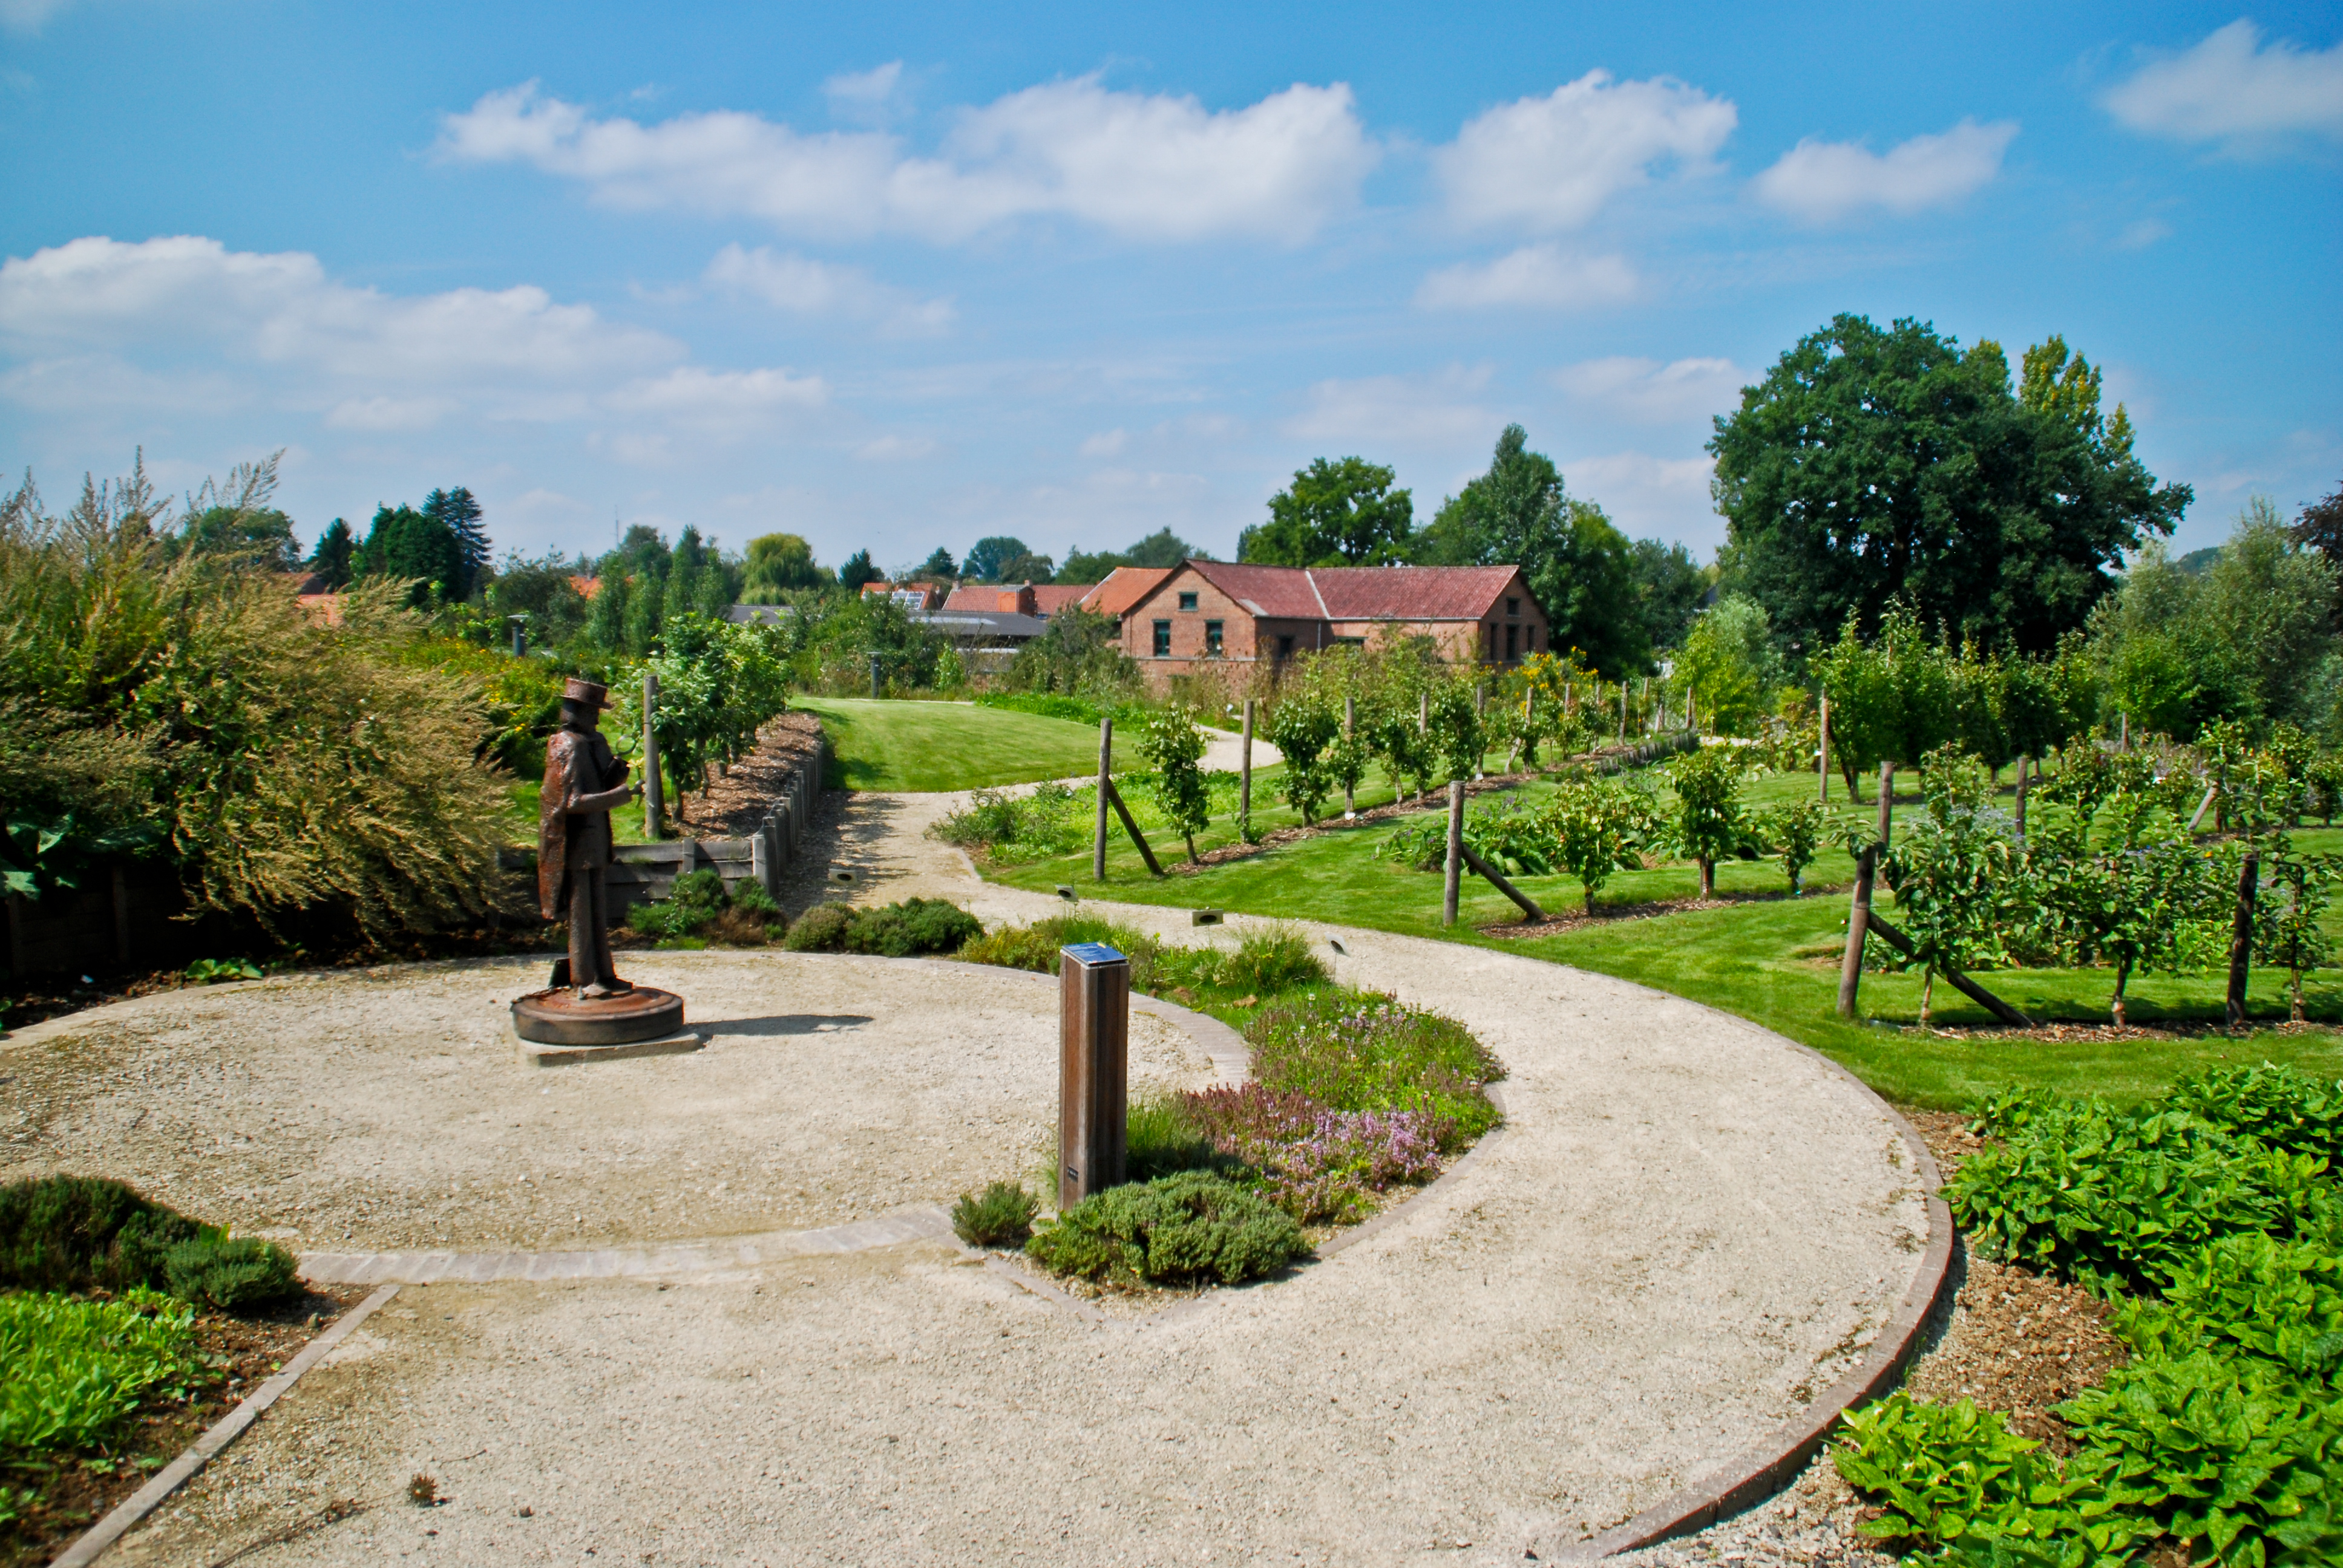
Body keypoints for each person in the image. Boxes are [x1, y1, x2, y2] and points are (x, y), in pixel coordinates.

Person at [538, 678, 642, 997]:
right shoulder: (570, 746)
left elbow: (599, 785)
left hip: (595, 842)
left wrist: (618, 769)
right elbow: (572, 803)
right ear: (579, 711)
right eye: (593, 712)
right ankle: (585, 979)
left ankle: (604, 974)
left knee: (597, 911)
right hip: (579, 844)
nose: (598, 719)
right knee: (583, 912)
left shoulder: (591, 742)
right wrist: (624, 795)